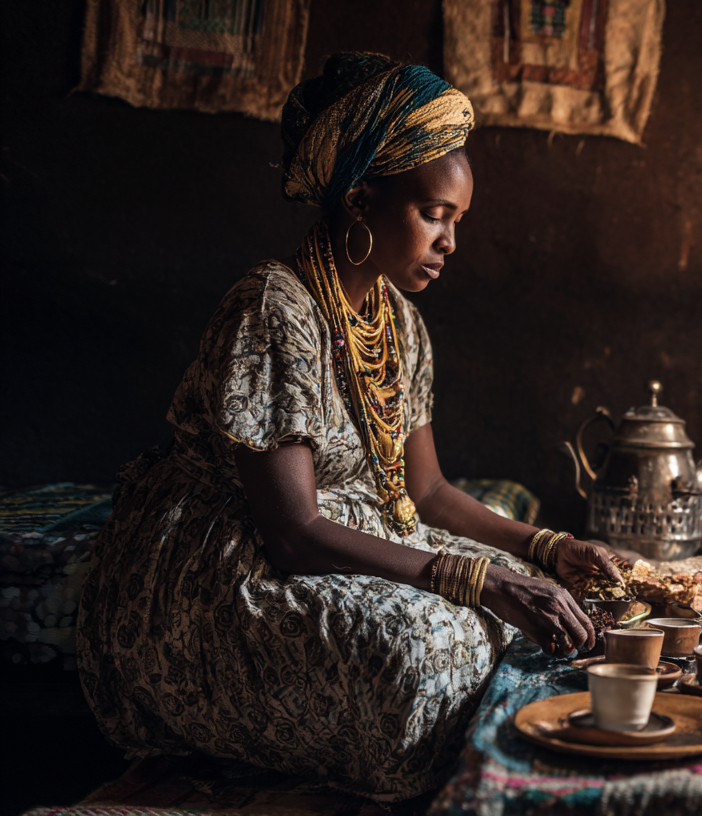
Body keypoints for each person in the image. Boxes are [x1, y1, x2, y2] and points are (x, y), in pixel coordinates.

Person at [76, 52, 622, 803]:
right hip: (240, 565)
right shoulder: (274, 306)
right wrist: (475, 578)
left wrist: (548, 546)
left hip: (356, 533)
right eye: (434, 214)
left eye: (457, 221)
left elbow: (425, 491)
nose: (450, 243)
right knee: (426, 648)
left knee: (540, 596)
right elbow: (293, 534)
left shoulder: (400, 322)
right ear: (361, 199)